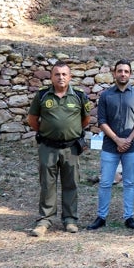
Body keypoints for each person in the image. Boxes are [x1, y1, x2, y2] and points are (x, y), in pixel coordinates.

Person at [27, 61, 91, 237]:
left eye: (64, 74)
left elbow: (86, 120)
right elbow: (32, 119)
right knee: (47, 183)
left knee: (71, 183)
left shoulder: (78, 96)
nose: (61, 77)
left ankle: (70, 219)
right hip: (48, 147)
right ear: (51, 77)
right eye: (57, 74)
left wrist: (71, 131)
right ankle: (45, 220)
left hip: (71, 148)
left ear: (70, 77)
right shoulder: (42, 96)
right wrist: (47, 132)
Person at [88, 59, 134, 230]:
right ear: (114, 73)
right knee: (106, 182)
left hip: (132, 147)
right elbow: (101, 121)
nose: (123, 74)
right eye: (120, 71)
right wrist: (117, 139)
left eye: (126, 71)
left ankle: (129, 217)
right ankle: (101, 217)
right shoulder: (106, 95)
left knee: (129, 182)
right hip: (109, 147)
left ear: (130, 74)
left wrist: (128, 140)